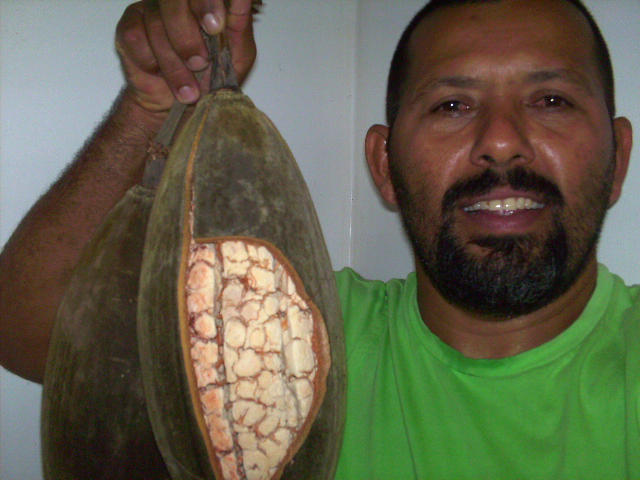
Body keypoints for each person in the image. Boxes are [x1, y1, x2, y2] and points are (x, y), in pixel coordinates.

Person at [0, 0, 637, 478]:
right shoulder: (288, 339)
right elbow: (30, 332)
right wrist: (153, 106)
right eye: (452, 107)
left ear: (619, 159)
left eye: (551, 100)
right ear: (384, 167)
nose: (501, 140)